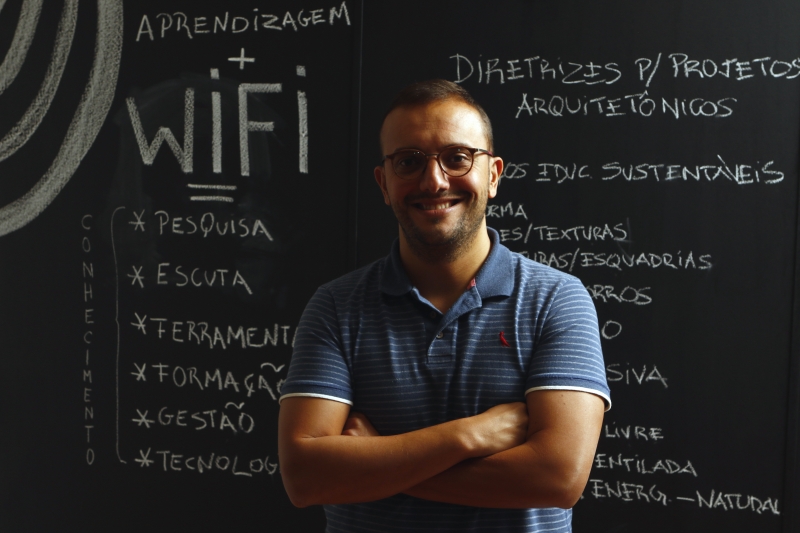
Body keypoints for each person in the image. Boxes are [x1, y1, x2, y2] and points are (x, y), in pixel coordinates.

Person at [278, 79, 610, 533]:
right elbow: (306, 477)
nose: (434, 181)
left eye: (457, 158)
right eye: (409, 162)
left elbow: (557, 477)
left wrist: (378, 462)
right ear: (384, 183)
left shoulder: (556, 300)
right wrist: (468, 436)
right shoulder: (336, 306)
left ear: (492, 175)